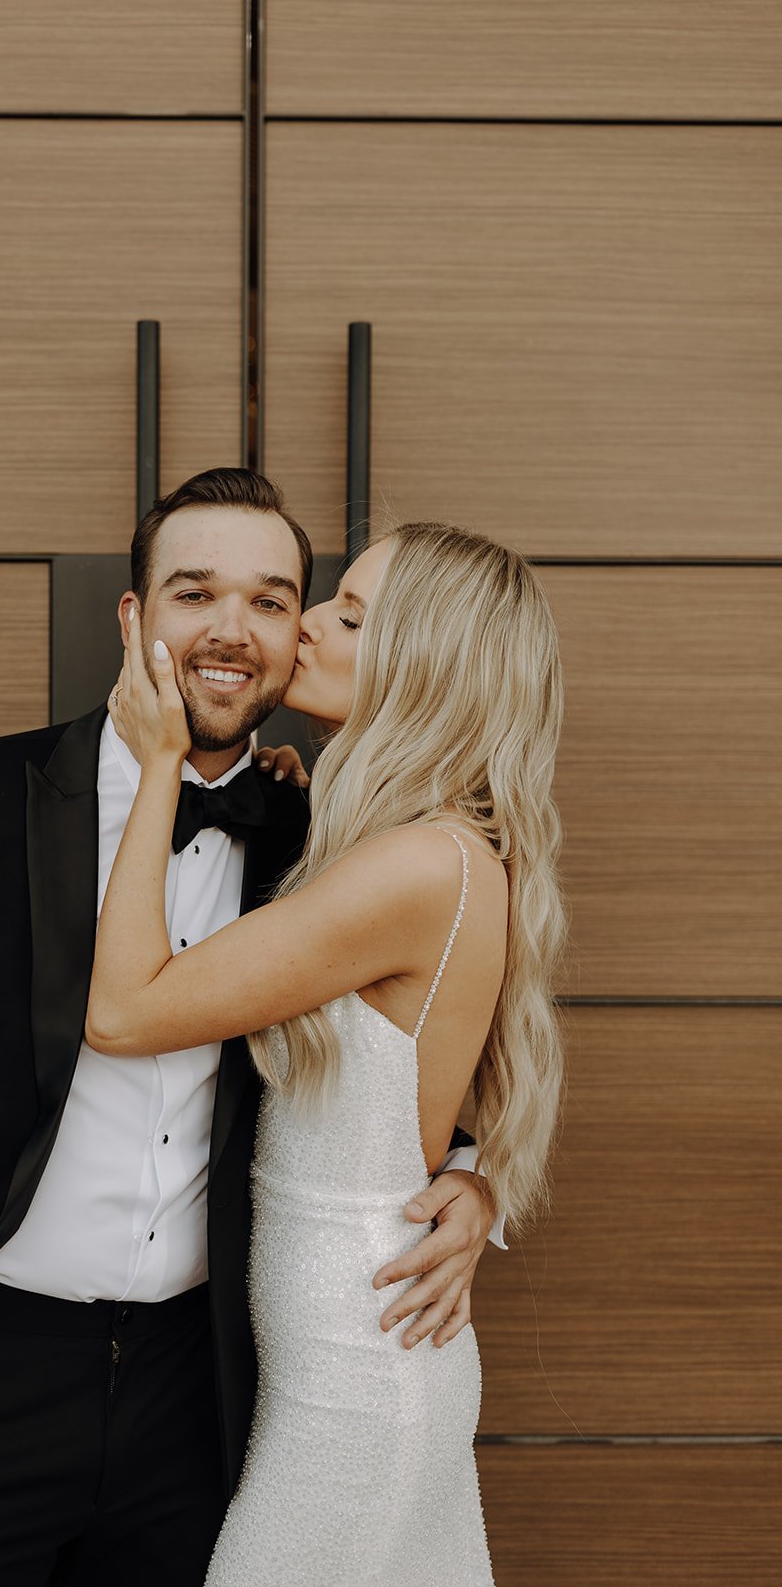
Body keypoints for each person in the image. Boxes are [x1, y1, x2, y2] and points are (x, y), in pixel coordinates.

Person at [0, 469, 502, 1587]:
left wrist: (467, 1170)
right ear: (133, 615)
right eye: (193, 592)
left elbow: (431, 1021)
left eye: (269, 600)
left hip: (201, 1394)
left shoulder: (322, 839)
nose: (230, 630)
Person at [86, 516, 567, 1585]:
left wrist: (162, 757)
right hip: (337, 1362)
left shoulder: (414, 867)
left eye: (346, 614)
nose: (301, 624)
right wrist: (469, 1175)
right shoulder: (403, 845)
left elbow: (123, 1009)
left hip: (359, 1375)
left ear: (420, 667)